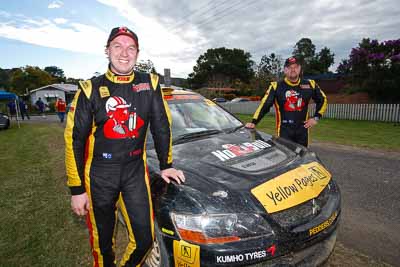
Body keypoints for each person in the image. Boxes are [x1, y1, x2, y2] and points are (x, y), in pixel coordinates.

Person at [64, 26, 185, 267]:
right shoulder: (90, 89)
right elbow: (74, 141)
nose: (124, 53)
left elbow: (162, 126)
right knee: (104, 245)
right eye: (117, 46)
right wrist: (77, 189)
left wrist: (166, 165)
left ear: (137, 54)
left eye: (131, 48)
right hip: (99, 175)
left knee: (145, 240)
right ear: (107, 51)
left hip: (134, 171)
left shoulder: (150, 83)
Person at [245, 57, 328, 147]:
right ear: (285, 70)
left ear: (300, 69)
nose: (293, 69)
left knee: (303, 157)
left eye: (295, 67)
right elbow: (265, 105)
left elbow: (323, 100)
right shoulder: (276, 86)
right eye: (289, 67)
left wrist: (316, 118)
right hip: (284, 131)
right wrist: (254, 122)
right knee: (285, 156)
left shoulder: (310, 84)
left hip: (303, 130)